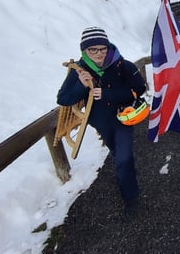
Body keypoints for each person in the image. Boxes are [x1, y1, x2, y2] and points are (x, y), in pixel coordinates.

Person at [57, 27, 147, 220]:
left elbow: (139, 88)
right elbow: (63, 99)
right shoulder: (79, 70)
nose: (99, 53)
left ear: (108, 46)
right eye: (93, 49)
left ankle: (131, 197)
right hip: (100, 122)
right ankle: (125, 173)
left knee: (123, 158)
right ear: (84, 50)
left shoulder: (122, 65)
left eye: (103, 48)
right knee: (116, 152)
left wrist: (109, 94)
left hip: (123, 118)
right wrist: (81, 85)